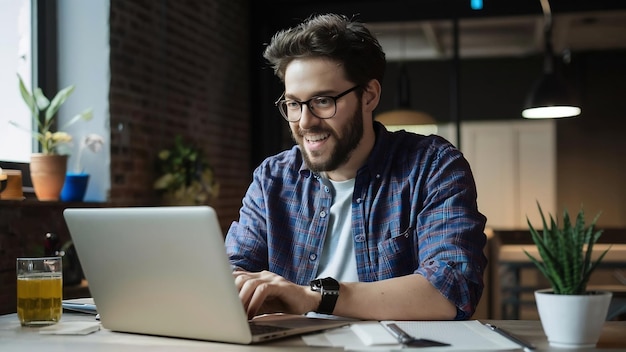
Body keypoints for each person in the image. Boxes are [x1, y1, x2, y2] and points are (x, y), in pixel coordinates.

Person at [225, 13, 487, 321]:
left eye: (322, 101)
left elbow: (451, 289)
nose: (305, 122)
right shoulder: (272, 178)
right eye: (293, 104)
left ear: (369, 95)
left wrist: (312, 298)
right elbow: (232, 272)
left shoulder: (432, 166)